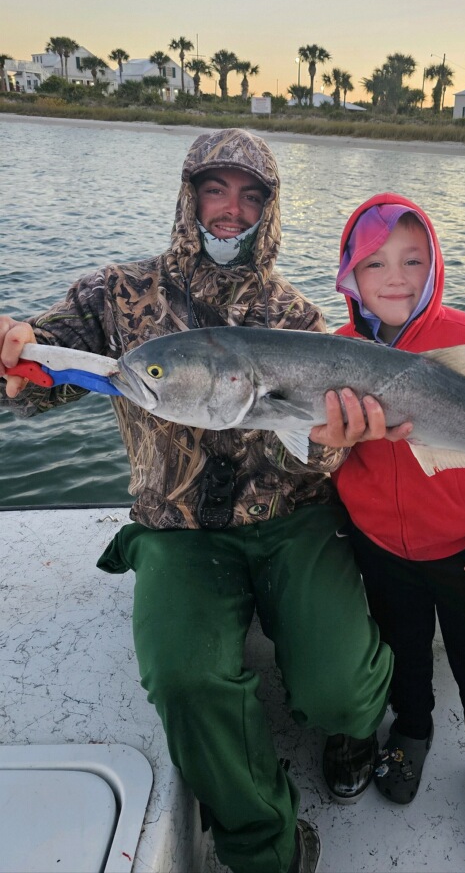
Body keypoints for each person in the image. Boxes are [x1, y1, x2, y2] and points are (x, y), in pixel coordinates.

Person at [0, 129, 397, 873]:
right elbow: (43, 364)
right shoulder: (116, 294)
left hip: (293, 523)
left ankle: (354, 724)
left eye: (250, 196)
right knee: (186, 680)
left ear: (269, 210)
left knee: (340, 690)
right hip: (176, 530)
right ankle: (267, 841)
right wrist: (14, 355)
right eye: (215, 189)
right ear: (189, 194)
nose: (230, 210)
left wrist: (342, 437)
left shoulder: (299, 319)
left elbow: (327, 454)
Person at [328, 194, 465, 864]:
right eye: (375, 263)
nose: (395, 277)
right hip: (382, 549)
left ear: (436, 264)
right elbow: (323, 454)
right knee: (402, 654)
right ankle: (410, 733)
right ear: (348, 276)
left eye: (413, 260)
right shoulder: (333, 353)